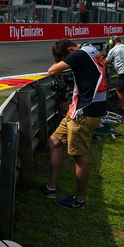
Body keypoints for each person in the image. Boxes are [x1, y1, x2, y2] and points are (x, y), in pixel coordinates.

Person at [39, 39, 107, 209]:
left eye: (64, 58)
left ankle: (79, 200)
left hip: (84, 113)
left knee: (79, 156)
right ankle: (51, 188)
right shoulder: (91, 49)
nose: (66, 61)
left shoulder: (79, 54)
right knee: (54, 141)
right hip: (79, 110)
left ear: (70, 50)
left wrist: (67, 63)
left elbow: (52, 70)